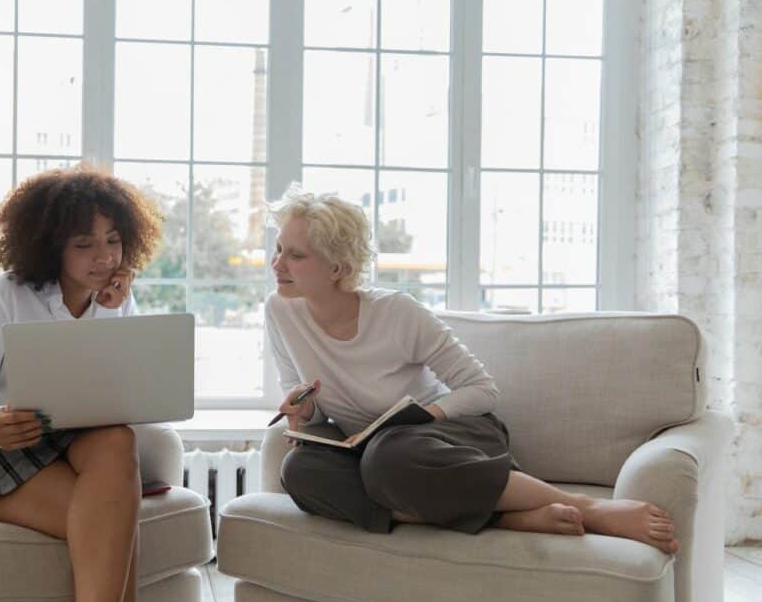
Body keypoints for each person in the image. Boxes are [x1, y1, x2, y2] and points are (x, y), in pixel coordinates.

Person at [266, 189, 679, 554]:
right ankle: (505, 518)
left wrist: (420, 417)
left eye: (295, 255)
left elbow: (482, 389)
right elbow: (306, 400)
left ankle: (591, 509)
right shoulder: (279, 311)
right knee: (301, 471)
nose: (276, 263)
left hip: (449, 438)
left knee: (388, 455)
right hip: (369, 451)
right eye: (279, 248)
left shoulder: (396, 313)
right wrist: (303, 413)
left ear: (337, 268)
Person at [0, 166, 163, 602]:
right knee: (114, 524)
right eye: (84, 244)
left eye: (113, 241)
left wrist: (112, 314)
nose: (104, 257)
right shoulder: (5, 298)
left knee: (118, 439)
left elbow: (118, 393)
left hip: (68, 440)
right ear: (51, 245)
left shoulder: (115, 301)